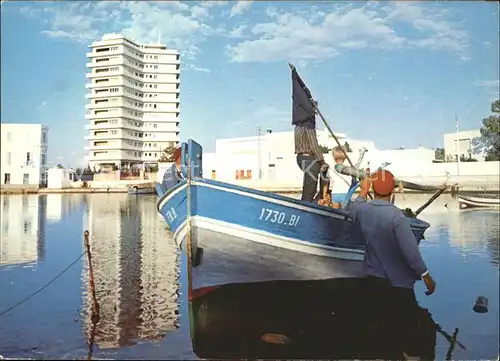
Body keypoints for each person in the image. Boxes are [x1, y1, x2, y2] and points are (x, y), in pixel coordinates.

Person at [348, 168, 436, 356]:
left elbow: (352, 210)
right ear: (393, 192)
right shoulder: (397, 217)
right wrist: (426, 276)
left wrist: (362, 193)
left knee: (379, 328)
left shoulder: (363, 210)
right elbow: (410, 252)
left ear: (372, 188)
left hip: (373, 281)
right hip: (399, 285)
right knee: (408, 332)